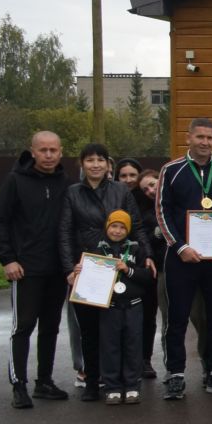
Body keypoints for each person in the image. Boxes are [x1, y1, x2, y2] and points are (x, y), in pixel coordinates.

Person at [155, 119, 212, 399]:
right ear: (188, 138)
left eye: (210, 138)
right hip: (182, 258)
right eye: (200, 137)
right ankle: (175, 374)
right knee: (177, 317)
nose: (205, 142)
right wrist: (179, 246)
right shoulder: (172, 170)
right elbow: (162, 211)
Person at [0, 130, 71, 408]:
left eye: (53, 150)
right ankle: (18, 384)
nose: (48, 155)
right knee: (23, 326)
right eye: (43, 150)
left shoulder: (64, 182)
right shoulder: (15, 181)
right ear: (32, 152)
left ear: (61, 152)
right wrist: (7, 259)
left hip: (57, 269)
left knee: (51, 327)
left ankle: (44, 381)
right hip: (25, 269)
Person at [58, 141, 135, 401]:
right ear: (82, 164)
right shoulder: (72, 193)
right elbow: (65, 233)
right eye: (90, 160)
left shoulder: (121, 190)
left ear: (108, 164)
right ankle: (91, 381)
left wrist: (144, 257)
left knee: (115, 328)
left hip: (118, 266)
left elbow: (136, 227)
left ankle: (119, 379)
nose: (95, 164)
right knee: (89, 329)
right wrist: (70, 268)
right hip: (88, 268)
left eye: (100, 159)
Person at [84, 209, 152, 404]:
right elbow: (89, 276)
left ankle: (132, 385)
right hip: (110, 306)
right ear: (107, 227)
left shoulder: (137, 250)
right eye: (114, 226)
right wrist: (81, 270)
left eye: (122, 227)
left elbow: (147, 277)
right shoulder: (97, 250)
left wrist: (128, 269)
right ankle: (112, 386)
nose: (117, 231)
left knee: (133, 345)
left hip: (133, 305)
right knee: (109, 346)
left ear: (128, 230)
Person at [131, 166, 165, 383]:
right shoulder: (143, 213)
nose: (151, 191)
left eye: (152, 185)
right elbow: (144, 240)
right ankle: (145, 360)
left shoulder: (177, 202)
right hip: (156, 269)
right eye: (145, 190)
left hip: (185, 267)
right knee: (151, 316)